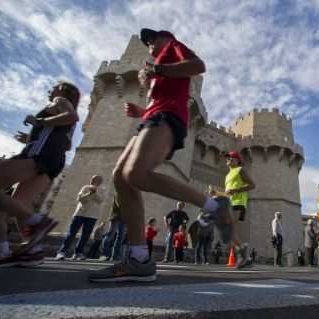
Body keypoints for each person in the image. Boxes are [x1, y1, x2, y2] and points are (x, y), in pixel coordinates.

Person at [89, 29, 233, 282]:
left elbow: (198, 65)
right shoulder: (157, 64)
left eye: (152, 39)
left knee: (136, 174)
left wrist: (159, 70)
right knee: (120, 178)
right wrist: (141, 111)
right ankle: (139, 258)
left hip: (168, 118)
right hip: (152, 118)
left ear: (165, 38)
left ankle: (215, 205)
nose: (149, 45)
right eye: (146, 43)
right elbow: (165, 97)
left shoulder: (172, 48)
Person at [0, 81, 80, 267]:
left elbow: (72, 116)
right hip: (52, 161)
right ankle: (24, 252)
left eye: (53, 86)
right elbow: (67, 144)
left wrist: (40, 122)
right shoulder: (63, 120)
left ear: (61, 90)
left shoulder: (59, 100)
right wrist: (30, 138)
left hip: (39, 157)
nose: (50, 89)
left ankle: (38, 222)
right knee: (5, 212)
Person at [55, 175, 103, 260]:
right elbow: (80, 199)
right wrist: (89, 193)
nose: (96, 181)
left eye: (98, 180)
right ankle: (61, 252)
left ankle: (78, 253)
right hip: (80, 213)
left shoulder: (101, 190)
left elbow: (100, 201)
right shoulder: (85, 187)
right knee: (71, 233)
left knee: (85, 235)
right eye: (94, 179)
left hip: (92, 216)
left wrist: (94, 193)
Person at [224, 150, 256, 268]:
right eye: (227, 158)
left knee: (229, 229)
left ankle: (244, 253)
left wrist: (237, 190)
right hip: (230, 203)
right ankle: (245, 256)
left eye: (231, 157)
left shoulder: (240, 170)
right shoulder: (227, 175)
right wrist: (216, 194)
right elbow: (229, 192)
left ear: (238, 160)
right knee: (228, 231)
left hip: (239, 203)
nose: (228, 159)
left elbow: (252, 185)